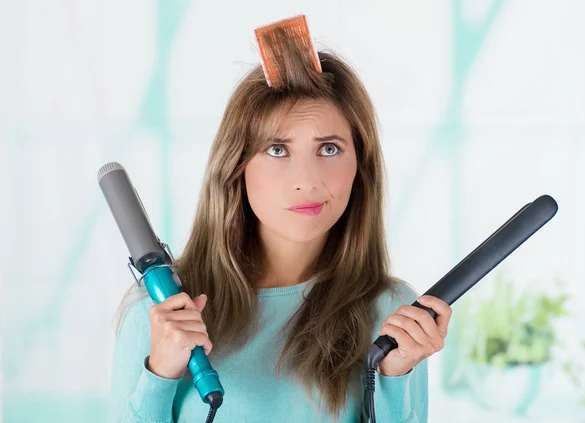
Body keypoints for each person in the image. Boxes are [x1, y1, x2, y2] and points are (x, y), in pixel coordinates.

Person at [107, 29, 452, 423]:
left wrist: (393, 377)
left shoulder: (394, 315)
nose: (306, 179)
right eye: (277, 149)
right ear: (236, 167)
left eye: (329, 148)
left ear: (361, 166)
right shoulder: (159, 312)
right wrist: (161, 374)